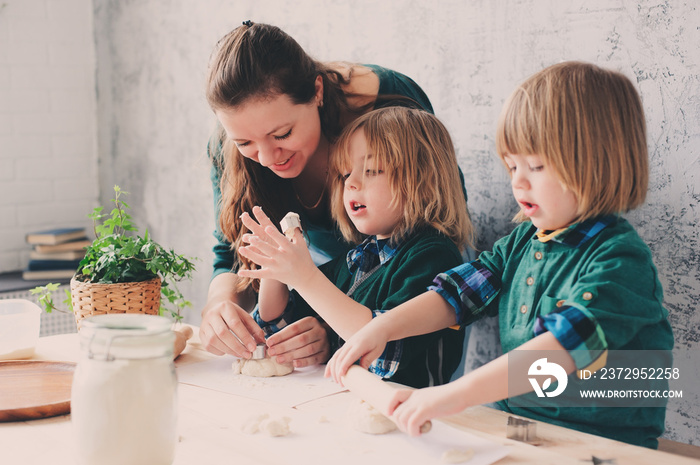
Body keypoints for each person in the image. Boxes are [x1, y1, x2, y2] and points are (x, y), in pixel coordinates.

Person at [325, 61, 674, 448]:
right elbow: (455, 296)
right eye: (511, 166)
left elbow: (562, 350)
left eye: (536, 166)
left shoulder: (620, 261)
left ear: (599, 160)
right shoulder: (523, 241)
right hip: (524, 428)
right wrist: (382, 328)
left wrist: (453, 395)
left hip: (606, 443)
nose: (517, 181)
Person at [200, 21, 472, 367]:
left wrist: (325, 315)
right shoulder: (349, 265)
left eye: (282, 133)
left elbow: (439, 223)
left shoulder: (390, 107)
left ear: (317, 92)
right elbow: (235, 256)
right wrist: (219, 305)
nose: (267, 158)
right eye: (245, 143)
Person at [237, 107, 474, 388]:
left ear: (424, 182)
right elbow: (278, 325)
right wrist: (276, 269)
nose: (351, 183)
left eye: (372, 170)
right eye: (345, 173)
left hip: (409, 414)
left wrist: (306, 278)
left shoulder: (433, 255)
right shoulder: (359, 258)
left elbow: (380, 352)